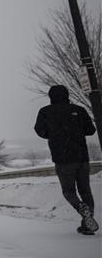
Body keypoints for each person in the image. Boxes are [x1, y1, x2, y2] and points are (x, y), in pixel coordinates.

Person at [34, 85, 98, 235]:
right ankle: (88, 225)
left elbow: (39, 130)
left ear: (51, 97)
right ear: (67, 95)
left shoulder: (45, 112)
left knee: (68, 191)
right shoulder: (79, 110)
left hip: (62, 159)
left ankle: (81, 208)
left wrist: (54, 135)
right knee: (85, 191)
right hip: (82, 157)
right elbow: (91, 130)